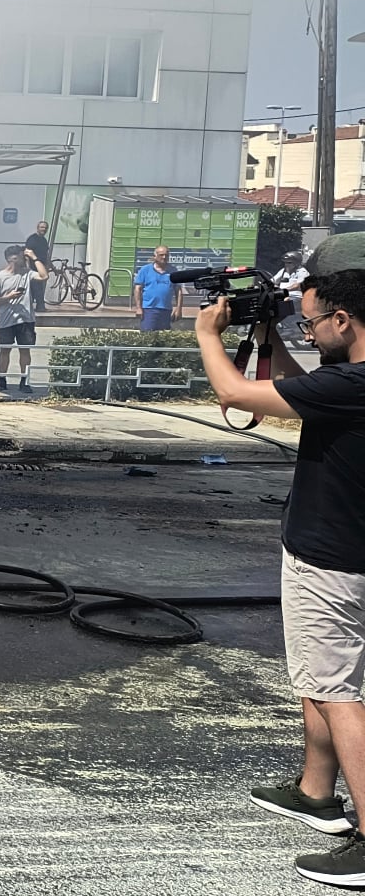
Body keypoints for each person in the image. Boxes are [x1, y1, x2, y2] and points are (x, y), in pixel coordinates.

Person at [197, 268, 365, 885]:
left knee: (336, 690)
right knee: (319, 676)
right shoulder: (348, 383)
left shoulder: (355, 383)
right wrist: (272, 340)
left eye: (313, 322)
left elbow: (237, 397)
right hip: (340, 549)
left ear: (343, 321)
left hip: (334, 557)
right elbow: (309, 391)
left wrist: (207, 334)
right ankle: (316, 790)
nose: (310, 330)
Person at [0, 244, 48, 394]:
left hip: (26, 320)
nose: (24, 259)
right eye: (22, 257)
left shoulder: (27, 273)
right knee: (5, 350)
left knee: (25, 350)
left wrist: (35, 258)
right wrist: (8, 297)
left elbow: (44, 275)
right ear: (12, 259)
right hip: (6, 320)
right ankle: (1, 379)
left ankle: (24, 380)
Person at [133, 245, 180, 332]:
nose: (164, 257)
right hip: (149, 309)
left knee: (164, 337)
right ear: (155, 256)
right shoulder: (145, 270)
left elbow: (178, 290)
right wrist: (138, 308)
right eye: (161, 255)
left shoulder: (173, 271)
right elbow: (137, 289)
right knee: (148, 336)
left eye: (166, 255)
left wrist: (178, 308)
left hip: (166, 310)